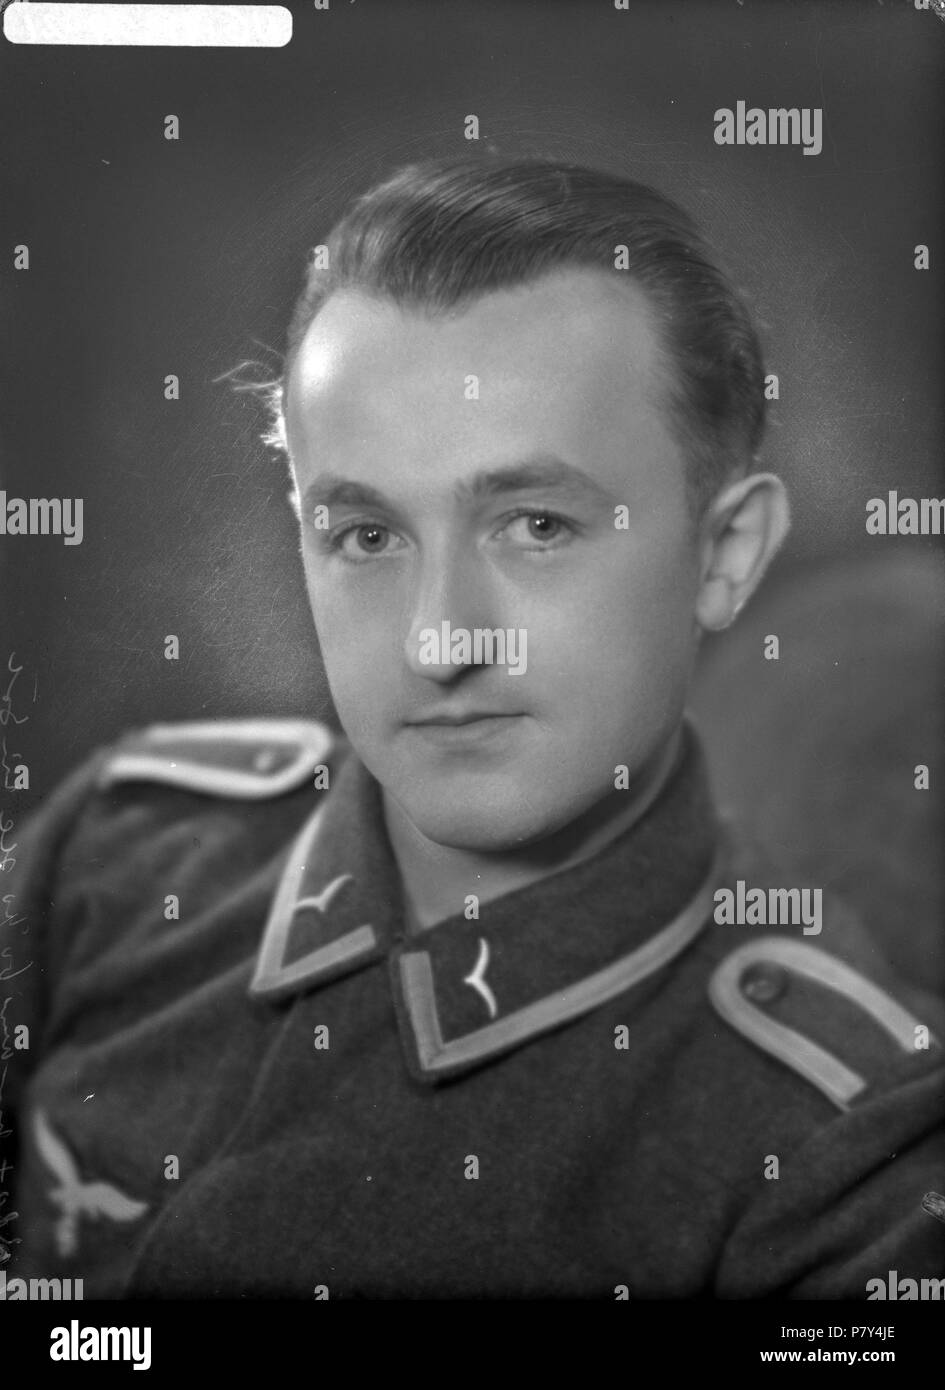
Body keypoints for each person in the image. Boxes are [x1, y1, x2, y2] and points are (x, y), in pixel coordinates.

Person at [2, 158, 942, 1299]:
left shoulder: (844, 1156)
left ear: (724, 554)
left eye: (535, 525)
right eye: (365, 536)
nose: (438, 643)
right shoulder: (115, 854)